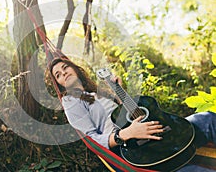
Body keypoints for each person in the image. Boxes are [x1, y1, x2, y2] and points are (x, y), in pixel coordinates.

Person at [47, 57, 216, 172]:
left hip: (148, 129)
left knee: (208, 119)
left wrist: (120, 93)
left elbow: (125, 114)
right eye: (58, 75)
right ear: (59, 85)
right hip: (130, 147)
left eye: (65, 67)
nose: (64, 73)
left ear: (75, 68)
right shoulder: (70, 102)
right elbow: (92, 139)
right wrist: (127, 134)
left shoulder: (97, 92)